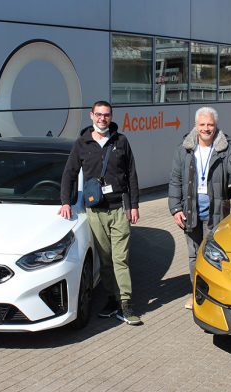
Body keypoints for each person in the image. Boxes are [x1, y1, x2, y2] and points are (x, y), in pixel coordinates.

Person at [60, 100, 142, 325]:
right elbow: (69, 173)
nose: (102, 118)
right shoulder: (82, 143)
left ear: (111, 116)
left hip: (119, 210)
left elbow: (132, 174)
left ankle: (126, 303)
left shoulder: (121, 141)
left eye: (106, 115)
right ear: (91, 116)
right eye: (98, 114)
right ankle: (112, 299)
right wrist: (66, 202)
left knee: (120, 259)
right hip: (95, 211)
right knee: (105, 260)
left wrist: (134, 205)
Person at [168, 106, 231, 309]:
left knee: (214, 255)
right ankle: (196, 292)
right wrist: (175, 208)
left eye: (210, 125)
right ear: (196, 126)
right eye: (202, 124)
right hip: (190, 211)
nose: (206, 128)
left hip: (216, 212)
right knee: (193, 254)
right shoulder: (184, 149)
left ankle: (214, 295)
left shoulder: (225, 149)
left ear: (216, 126)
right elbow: (175, 180)